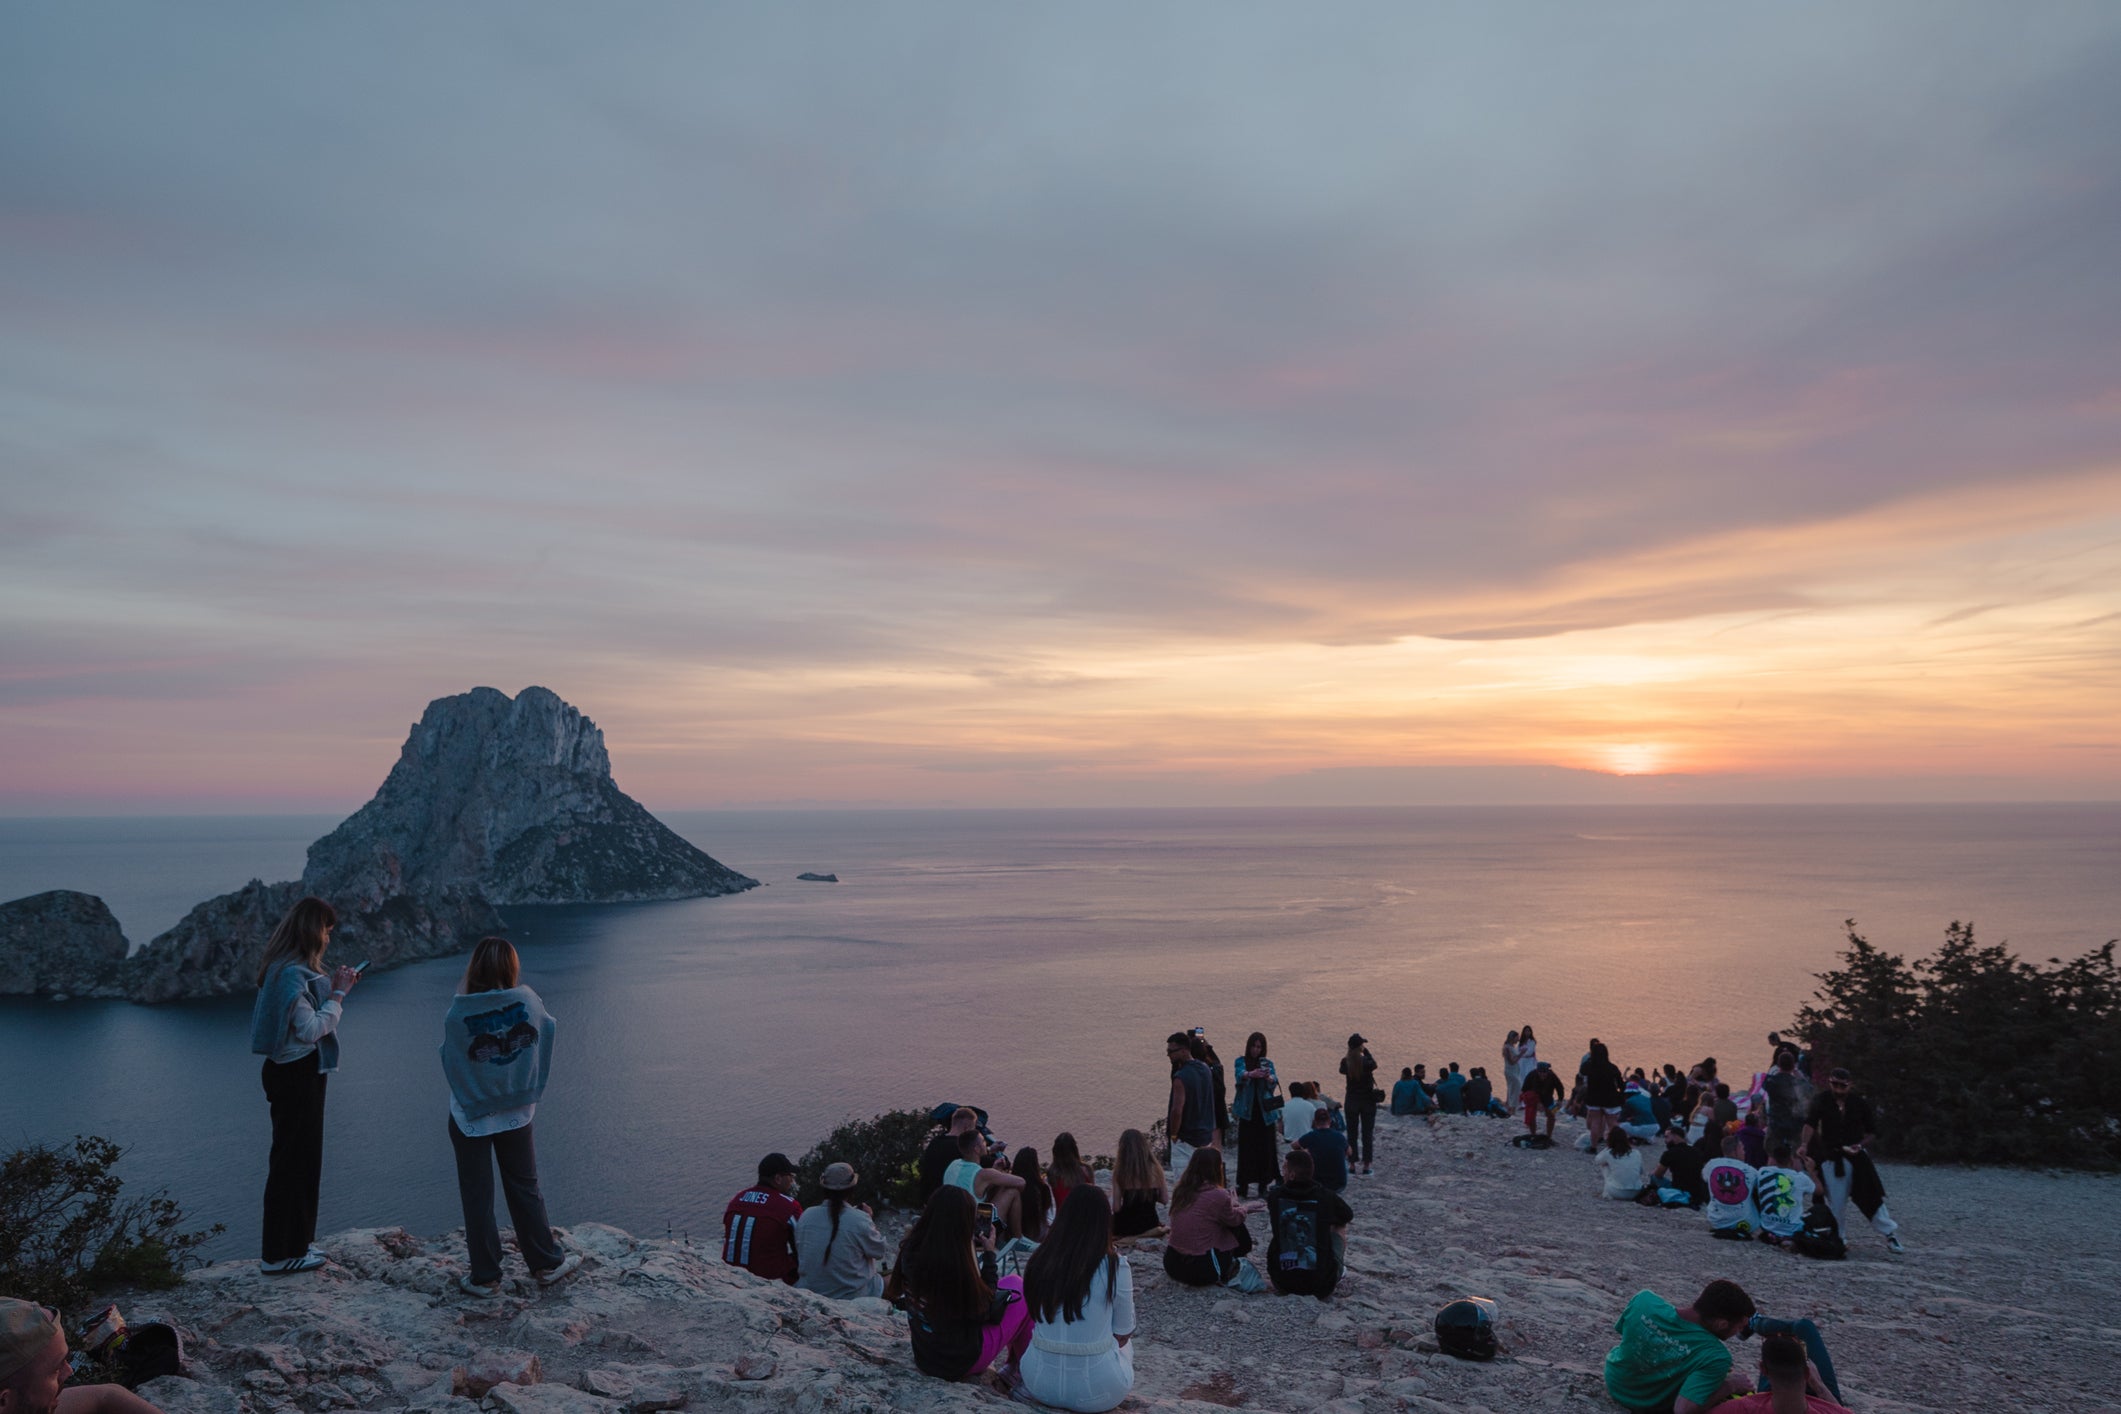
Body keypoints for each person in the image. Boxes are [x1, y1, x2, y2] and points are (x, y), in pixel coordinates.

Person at [439, 936, 579, 1296]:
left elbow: (450, 1058)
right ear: (511, 966)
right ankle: (546, 1263)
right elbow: (547, 1030)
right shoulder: (528, 1000)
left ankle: (485, 1277)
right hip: (516, 1111)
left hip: (471, 1113)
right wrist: (524, 1083)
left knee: (477, 1195)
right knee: (525, 1188)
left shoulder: (458, 1011)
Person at [249, 895, 360, 1275]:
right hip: (298, 1076)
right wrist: (339, 995)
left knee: (291, 1160)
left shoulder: (279, 969)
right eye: (327, 931)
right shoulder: (293, 975)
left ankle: (291, 1243)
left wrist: (330, 990)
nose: (328, 939)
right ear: (315, 932)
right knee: (297, 1163)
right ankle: (282, 1253)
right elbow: (311, 1029)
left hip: (285, 1072)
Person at [889, 1185, 1032, 1382]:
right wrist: (989, 1255)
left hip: (925, 1355)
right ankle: (1018, 1370)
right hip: (959, 1361)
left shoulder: (910, 1250)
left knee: (1011, 1282)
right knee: (1022, 1290)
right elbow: (985, 1310)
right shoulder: (953, 1265)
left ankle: (1015, 1367)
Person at [1018, 1187, 1135, 1412]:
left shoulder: (1038, 1260)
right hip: (1099, 1392)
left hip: (1038, 1382)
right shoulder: (1115, 1266)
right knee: (1128, 1346)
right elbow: (1123, 1333)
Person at [1602, 1280, 1757, 1414]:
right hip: (1646, 1403)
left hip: (1615, 1381)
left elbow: (1626, 1336)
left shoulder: (1644, 1301)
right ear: (1721, 1323)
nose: (1738, 1333)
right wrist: (1731, 1385)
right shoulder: (1716, 1355)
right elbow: (1683, 1410)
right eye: (1739, 1326)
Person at [1801, 1068, 1904, 1253]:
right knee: (1837, 1203)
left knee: (1871, 1196)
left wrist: (1860, 1145)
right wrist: (1803, 1145)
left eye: (1842, 1086)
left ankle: (1890, 1235)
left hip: (1856, 1158)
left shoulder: (1859, 1103)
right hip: (1832, 1157)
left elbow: (1872, 1131)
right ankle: (1839, 1238)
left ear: (1850, 1085)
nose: (1838, 1089)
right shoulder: (1822, 1100)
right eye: (1835, 1085)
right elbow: (1810, 1123)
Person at [0, 1299, 162, 1414]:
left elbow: (105, 1395)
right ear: (3, 1401)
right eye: (55, 1369)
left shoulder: (22, 1403)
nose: (68, 1371)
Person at [1161, 1148, 1263, 1291]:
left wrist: (1230, 1204)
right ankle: (1235, 1261)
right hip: (1201, 1269)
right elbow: (1234, 1220)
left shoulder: (1182, 1190)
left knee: (1215, 1221)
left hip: (1173, 1264)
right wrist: (1243, 1208)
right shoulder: (1218, 1195)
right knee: (1235, 1225)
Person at [1262, 1148, 1354, 1299]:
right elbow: (1347, 1215)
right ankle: (1338, 1268)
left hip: (1283, 1282)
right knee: (1340, 1225)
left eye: (1284, 1168)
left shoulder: (1275, 1196)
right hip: (1321, 1285)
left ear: (1291, 1174)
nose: (1282, 1172)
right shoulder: (1325, 1196)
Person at [795, 1162, 890, 1299]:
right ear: (851, 1189)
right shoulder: (860, 1219)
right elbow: (879, 1251)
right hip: (852, 1295)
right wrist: (869, 1219)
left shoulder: (806, 1215)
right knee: (895, 1279)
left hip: (810, 1292)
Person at [1722, 1332, 1850, 1414]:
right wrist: (1819, 1385)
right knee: (1805, 1327)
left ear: (1762, 1369)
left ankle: (1758, 1325)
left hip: (1772, 1395)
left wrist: (1730, 1386)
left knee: (1778, 1346)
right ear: (1807, 1373)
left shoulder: (1743, 1407)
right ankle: (1758, 1324)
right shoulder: (1831, 1410)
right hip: (1811, 1396)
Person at [723, 1153, 804, 1283]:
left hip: (730, 1275)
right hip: (769, 1279)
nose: (792, 1181)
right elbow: (803, 1245)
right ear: (778, 1178)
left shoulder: (737, 1199)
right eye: (790, 1176)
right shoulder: (788, 1206)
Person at [941, 1129, 1027, 1238]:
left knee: (998, 1188)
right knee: (1012, 1191)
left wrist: (995, 1172)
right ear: (976, 1149)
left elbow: (976, 1189)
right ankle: (1018, 1239)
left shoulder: (953, 1165)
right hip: (978, 1233)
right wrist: (995, 1173)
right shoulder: (984, 1174)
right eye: (983, 1141)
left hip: (954, 1226)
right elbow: (1021, 1182)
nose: (986, 1144)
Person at [1230, 1032, 1281, 1198]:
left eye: (1259, 1047)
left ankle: (1263, 1185)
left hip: (1264, 1114)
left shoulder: (1267, 1063)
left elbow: (1274, 1080)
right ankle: (1243, 1184)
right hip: (1248, 1113)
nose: (1256, 1050)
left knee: (1265, 1150)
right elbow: (1239, 1075)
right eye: (1254, 1046)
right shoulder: (1241, 1061)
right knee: (1246, 1150)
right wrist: (1251, 1074)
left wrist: (1269, 1078)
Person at [1165, 1032, 1219, 1176]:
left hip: (1185, 1140)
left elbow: (1177, 1110)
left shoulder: (1180, 1078)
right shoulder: (1206, 1069)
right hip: (1205, 1137)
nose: (1168, 1055)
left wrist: (1174, 1135)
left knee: (1182, 1186)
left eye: (1171, 1051)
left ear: (1184, 1050)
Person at [1751, 1144, 1818, 1247]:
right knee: (1820, 1210)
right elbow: (1819, 1190)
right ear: (1791, 1160)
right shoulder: (1800, 1178)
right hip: (1792, 1229)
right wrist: (1811, 1170)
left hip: (1768, 1227)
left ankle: (1776, 1237)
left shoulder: (1762, 1172)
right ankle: (1788, 1239)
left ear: (1773, 1159)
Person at [1109, 1128, 1169, 1239]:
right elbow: (1165, 1199)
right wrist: (1150, 1195)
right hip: (1150, 1224)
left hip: (1125, 1228)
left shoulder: (1120, 1172)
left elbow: (1116, 1208)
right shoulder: (1156, 1169)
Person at [920, 1107, 983, 1204]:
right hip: (947, 1202)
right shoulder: (961, 1147)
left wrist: (989, 1149)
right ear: (966, 1128)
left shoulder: (935, 1142)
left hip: (927, 1199)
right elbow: (983, 1164)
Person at [1704, 1135, 1762, 1239]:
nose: (1744, 1152)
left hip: (1716, 1221)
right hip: (1746, 1223)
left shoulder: (1711, 1164)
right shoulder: (1750, 1170)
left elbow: (1704, 1178)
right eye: (1743, 1149)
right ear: (1737, 1149)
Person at [1338, 1035, 1379, 1177]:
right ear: (1360, 1046)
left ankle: (1352, 1164)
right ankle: (1367, 1165)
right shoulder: (1367, 1062)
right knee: (1367, 1133)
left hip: (1352, 1100)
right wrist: (1367, 1052)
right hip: (1367, 1100)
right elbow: (1374, 1064)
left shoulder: (1346, 1062)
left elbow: (1341, 1070)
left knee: (1352, 1134)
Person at [1295, 1102, 1351, 1193]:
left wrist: (1305, 1151)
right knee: (1344, 1155)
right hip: (1339, 1184)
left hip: (1317, 1183)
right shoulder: (1339, 1136)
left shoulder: (1311, 1136)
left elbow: (1294, 1145)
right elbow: (1349, 1152)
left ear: (1315, 1122)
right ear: (1330, 1121)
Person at [1644, 1131, 1710, 1207]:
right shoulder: (1696, 1151)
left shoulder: (1670, 1153)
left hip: (1678, 1189)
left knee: (1653, 1176)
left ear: (1675, 1136)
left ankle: (1654, 1197)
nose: (1665, 1141)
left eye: (1667, 1137)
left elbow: (1658, 1174)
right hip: (1697, 1191)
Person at [1579, 1041, 1626, 1150]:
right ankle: (1617, 1146)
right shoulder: (1612, 1067)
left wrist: (1590, 1059)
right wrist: (1621, 1095)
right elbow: (1621, 1084)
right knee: (1612, 1123)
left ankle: (1593, 1146)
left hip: (1594, 1098)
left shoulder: (1589, 1066)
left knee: (1595, 1122)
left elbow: (1582, 1071)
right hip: (1610, 1099)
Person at [1012, 1147, 1053, 1243]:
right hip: (1037, 1233)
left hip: (1015, 1234)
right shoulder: (1042, 1188)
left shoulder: (1012, 1189)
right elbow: (1044, 1213)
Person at [1595, 1128, 1645, 1200]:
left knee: (1604, 1165)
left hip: (1617, 1191)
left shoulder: (1609, 1153)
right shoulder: (1636, 1153)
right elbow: (1641, 1171)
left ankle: (1606, 1191)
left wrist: (1608, 1147)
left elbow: (1597, 1160)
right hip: (1636, 1192)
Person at [1520, 1060, 1565, 1140]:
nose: (1543, 1074)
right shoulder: (1532, 1075)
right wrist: (1535, 1102)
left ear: (1548, 1071)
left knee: (1552, 1115)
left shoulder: (1552, 1076)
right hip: (1533, 1098)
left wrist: (1560, 1100)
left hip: (1548, 1097)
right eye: (1540, 1072)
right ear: (1537, 1071)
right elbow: (1524, 1090)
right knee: (1531, 1117)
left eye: (1545, 1072)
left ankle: (1549, 1136)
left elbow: (1560, 1087)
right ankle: (1533, 1134)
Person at [1047, 1132, 1091, 1214]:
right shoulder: (1086, 1171)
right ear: (1074, 1149)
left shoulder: (1052, 1172)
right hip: (1083, 1220)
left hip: (1061, 1220)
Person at [1502, 1030, 1523, 1111]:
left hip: (1515, 1071)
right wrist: (1521, 1054)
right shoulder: (1507, 1048)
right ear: (1512, 1038)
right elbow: (1512, 1061)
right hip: (1510, 1071)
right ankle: (1512, 1109)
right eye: (1517, 1037)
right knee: (1515, 1089)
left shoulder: (1512, 1047)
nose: (1518, 1039)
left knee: (1512, 1089)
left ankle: (1510, 1108)